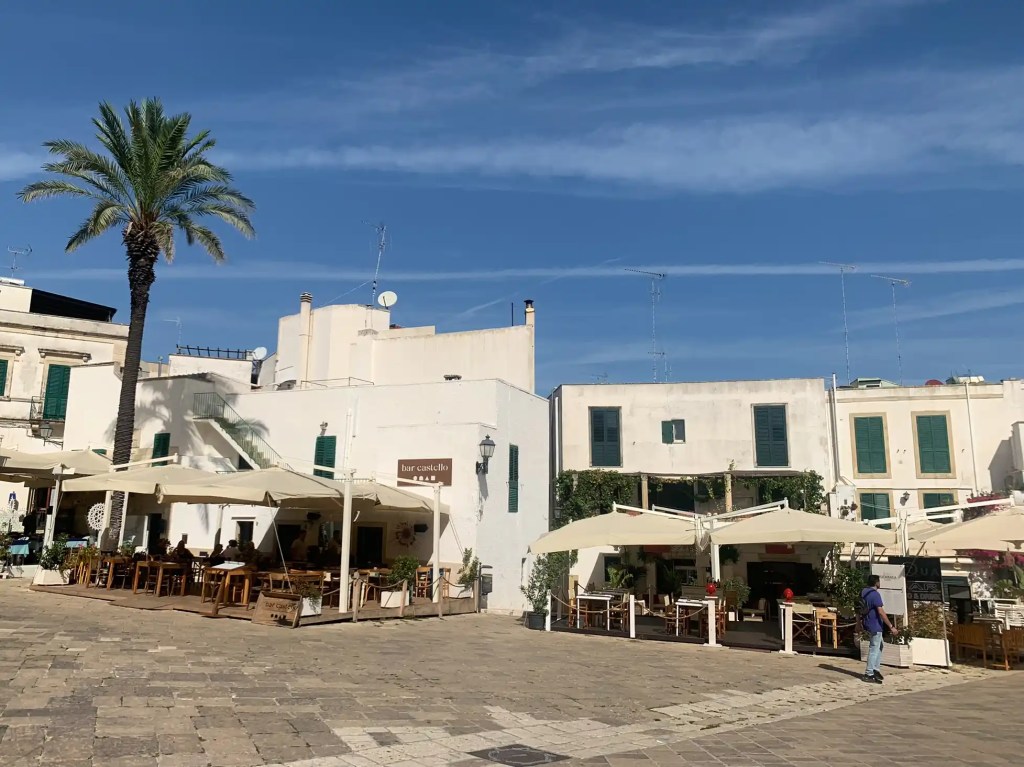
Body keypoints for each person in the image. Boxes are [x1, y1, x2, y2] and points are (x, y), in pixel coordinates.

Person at [861, 574, 897, 684]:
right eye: (879, 581)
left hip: (867, 622)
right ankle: (869, 673)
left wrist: (858, 623)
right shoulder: (875, 595)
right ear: (876, 583)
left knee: (879, 645)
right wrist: (891, 626)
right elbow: (881, 612)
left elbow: (857, 608)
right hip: (875, 624)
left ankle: (875, 669)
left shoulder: (863, 592)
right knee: (874, 648)